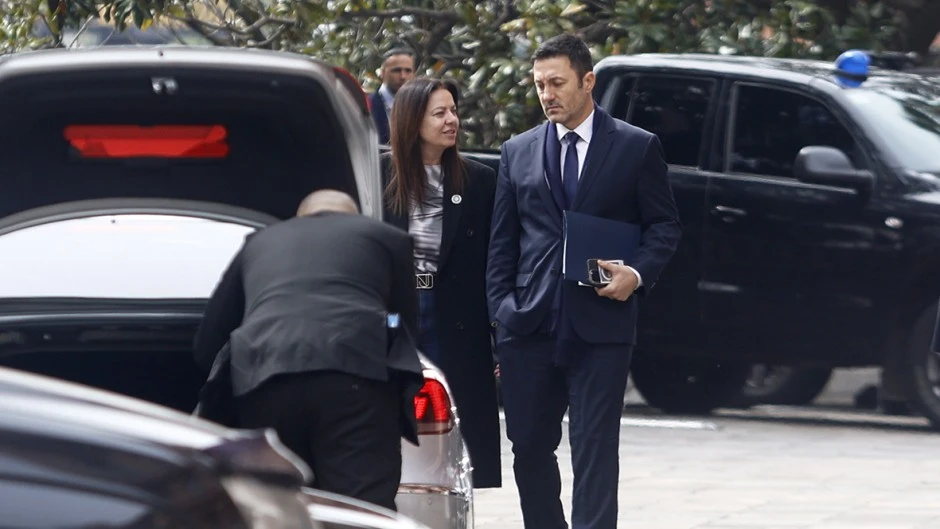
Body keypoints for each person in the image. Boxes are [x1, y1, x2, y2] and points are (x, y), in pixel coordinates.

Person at [486, 34, 682, 529]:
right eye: (539, 85)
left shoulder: (636, 146)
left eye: (557, 83)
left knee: (595, 447)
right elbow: (502, 243)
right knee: (529, 446)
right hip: (529, 323)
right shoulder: (517, 151)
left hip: (602, 323)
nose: (546, 94)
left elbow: (664, 226)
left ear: (587, 81)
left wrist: (636, 274)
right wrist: (503, 314)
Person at [192, 189, 424, 512]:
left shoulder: (260, 242)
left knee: (276, 505)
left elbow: (210, 338)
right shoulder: (388, 238)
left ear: (299, 220)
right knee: (360, 508)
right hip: (355, 376)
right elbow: (402, 322)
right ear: (355, 218)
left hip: (264, 379)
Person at [381, 77, 502, 488]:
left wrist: (499, 337)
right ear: (412, 121)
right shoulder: (380, 174)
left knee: (458, 423)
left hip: (456, 314)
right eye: (439, 113)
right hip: (400, 311)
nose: (452, 120)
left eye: (454, 111)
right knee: (395, 416)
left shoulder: (478, 179)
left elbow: (494, 260)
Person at [370, 47, 416, 144]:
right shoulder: (367, 106)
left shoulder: (420, 107)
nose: (403, 76)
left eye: (408, 71)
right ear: (382, 73)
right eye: (396, 70)